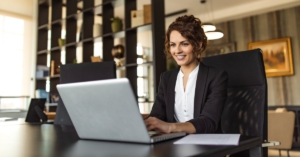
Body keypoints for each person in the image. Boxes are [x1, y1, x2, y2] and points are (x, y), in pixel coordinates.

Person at [144, 15, 228, 134]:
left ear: (198, 44)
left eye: (184, 44)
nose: (177, 50)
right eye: (173, 44)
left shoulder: (216, 77)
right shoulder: (166, 78)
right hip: (174, 143)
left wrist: (170, 127)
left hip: (206, 144)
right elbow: (157, 115)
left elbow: (209, 122)